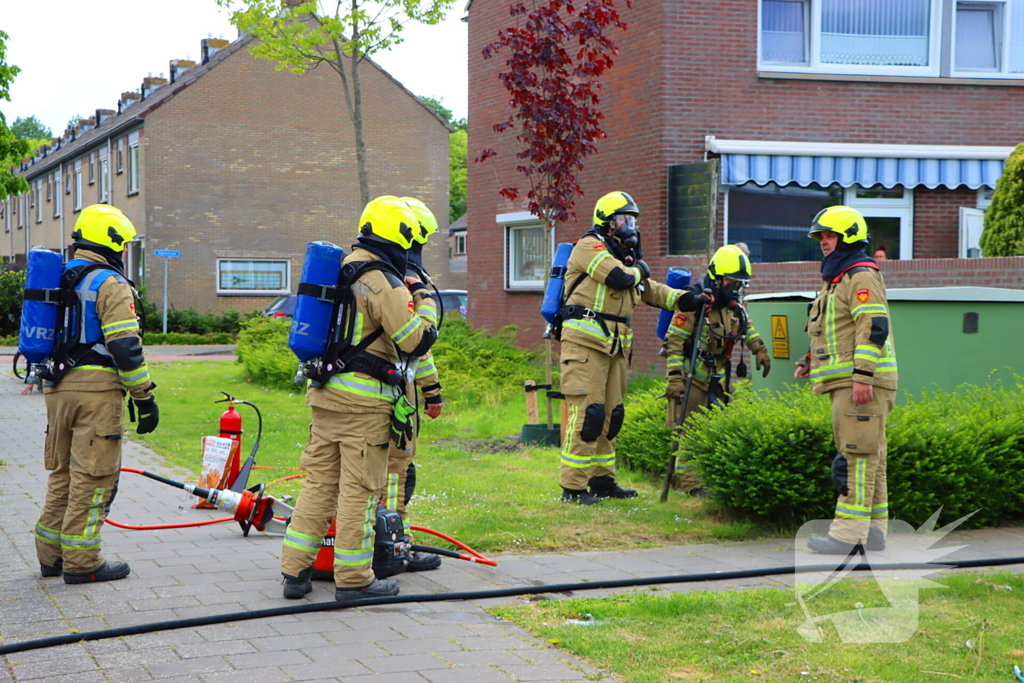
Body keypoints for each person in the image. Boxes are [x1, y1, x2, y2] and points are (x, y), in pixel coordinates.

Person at [281, 196, 438, 601]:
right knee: (359, 493)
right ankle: (354, 580)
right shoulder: (382, 281)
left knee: (318, 486)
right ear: (398, 237)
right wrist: (424, 301)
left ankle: (294, 574)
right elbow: (415, 340)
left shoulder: (344, 267)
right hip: (364, 407)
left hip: (325, 397)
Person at [558, 191, 713, 504]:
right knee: (589, 414)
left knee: (611, 415)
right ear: (607, 221)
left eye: (631, 220)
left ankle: (602, 481)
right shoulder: (590, 246)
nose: (629, 225)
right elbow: (621, 278)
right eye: (623, 219)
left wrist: (687, 299)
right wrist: (640, 267)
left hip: (613, 346)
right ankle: (573, 488)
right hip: (584, 344)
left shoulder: (619, 256)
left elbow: (650, 290)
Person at [34, 205, 157, 584]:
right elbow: (125, 347)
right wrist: (144, 397)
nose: (124, 254)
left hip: (57, 389)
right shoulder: (110, 283)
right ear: (112, 241)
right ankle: (83, 562)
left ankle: (50, 556)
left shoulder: (61, 277)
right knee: (94, 475)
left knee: (64, 473)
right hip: (96, 391)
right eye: (123, 246)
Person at [794, 206, 897, 554]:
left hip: (861, 384)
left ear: (849, 236)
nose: (824, 242)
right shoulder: (838, 277)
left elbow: (873, 326)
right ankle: (874, 532)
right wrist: (810, 361)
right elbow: (835, 330)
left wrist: (863, 377)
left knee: (855, 456)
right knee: (871, 457)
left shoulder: (860, 274)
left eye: (829, 235)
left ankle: (847, 536)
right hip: (850, 381)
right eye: (821, 237)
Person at [664, 245, 770, 495]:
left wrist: (760, 350)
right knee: (688, 432)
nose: (736, 289)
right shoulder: (694, 301)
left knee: (718, 430)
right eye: (732, 283)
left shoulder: (731, 305)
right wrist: (675, 378)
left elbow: (746, 325)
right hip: (693, 379)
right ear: (717, 277)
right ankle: (691, 485)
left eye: (739, 284)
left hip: (718, 379)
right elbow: (674, 342)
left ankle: (711, 477)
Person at [381, 196, 445, 573]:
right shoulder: (397, 285)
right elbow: (416, 339)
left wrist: (432, 390)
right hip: (389, 393)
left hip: (399, 388)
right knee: (395, 471)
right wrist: (420, 294)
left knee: (401, 470)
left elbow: (422, 351)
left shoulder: (388, 277)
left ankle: (393, 540)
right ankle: (391, 547)